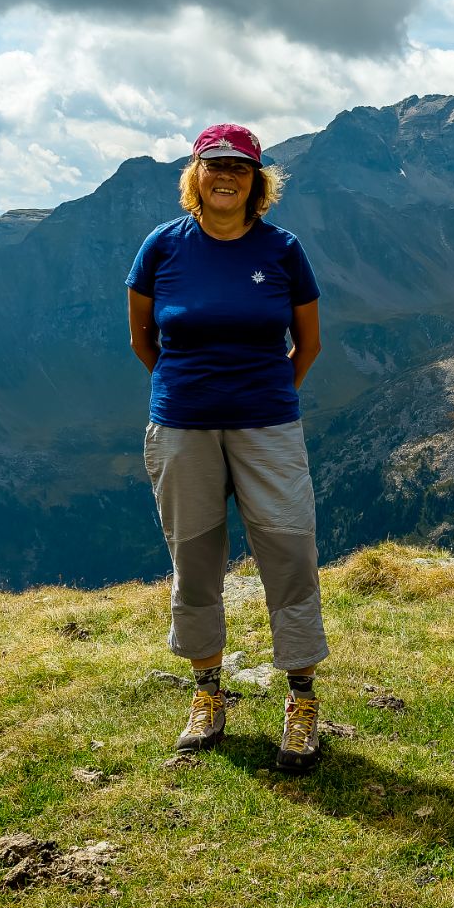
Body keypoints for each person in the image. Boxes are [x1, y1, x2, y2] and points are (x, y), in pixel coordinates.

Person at [125, 123, 328, 771]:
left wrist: (265, 396)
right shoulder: (161, 248)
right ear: (195, 174)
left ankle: (301, 702)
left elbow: (309, 344)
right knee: (195, 562)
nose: (226, 176)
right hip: (182, 427)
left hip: (266, 426)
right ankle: (207, 695)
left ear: (256, 180)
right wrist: (191, 396)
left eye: (240, 167)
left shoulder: (284, 250)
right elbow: (144, 341)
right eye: (215, 165)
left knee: (290, 552)